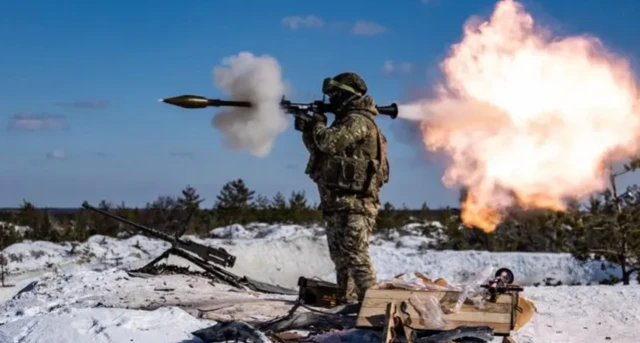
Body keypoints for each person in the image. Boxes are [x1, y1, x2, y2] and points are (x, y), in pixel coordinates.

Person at [294, 72, 390, 304]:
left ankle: (373, 309)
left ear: (346, 95)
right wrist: (309, 130)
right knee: (341, 257)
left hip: (355, 204)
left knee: (356, 256)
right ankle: (348, 303)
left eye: (334, 94)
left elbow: (328, 142)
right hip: (338, 202)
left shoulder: (357, 121)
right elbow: (321, 151)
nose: (330, 99)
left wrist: (317, 123)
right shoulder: (345, 121)